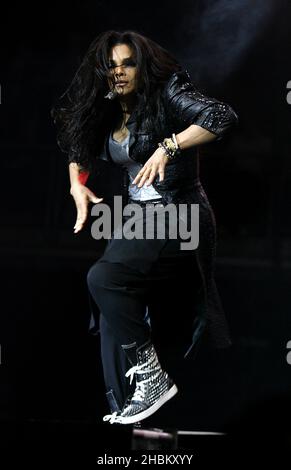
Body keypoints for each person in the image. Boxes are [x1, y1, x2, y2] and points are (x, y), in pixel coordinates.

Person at [51, 30, 238, 425]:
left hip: (180, 212)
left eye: (127, 63)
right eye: (112, 66)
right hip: (140, 217)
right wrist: (76, 186)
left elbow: (220, 117)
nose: (119, 72)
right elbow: (78, 148)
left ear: (141, 66)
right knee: (109, 312)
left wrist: (168, 147)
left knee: (104, 278)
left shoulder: (167, 91)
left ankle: (151, 377)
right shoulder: (105, 106)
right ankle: (129, 410)